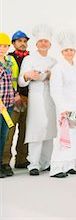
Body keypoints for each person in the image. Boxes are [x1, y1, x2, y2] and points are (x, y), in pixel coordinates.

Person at [18, 24, 57, 176]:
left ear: (50, 44)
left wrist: (50, 76)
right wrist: (28, 75)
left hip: (50, 97)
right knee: (36, 129)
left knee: (49, 129)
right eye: (40, 41)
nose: (43, 44)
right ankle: (33, 163)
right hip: (35, 96)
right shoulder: (29, 59)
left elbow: (58, 81)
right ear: (36, 44)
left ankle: (46, 162)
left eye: (46, 41)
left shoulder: (54, 61)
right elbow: (21, 81)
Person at [49, 31, 76, 178]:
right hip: (65, 108)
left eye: (71, 50)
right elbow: (55, 90)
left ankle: (69, 164)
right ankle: (57, 168)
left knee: (75, 137)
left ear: (74, 52)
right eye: (66, 50)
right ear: (62, 52)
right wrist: (63, 109)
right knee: (63, 137)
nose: (69, 52)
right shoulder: (58, 68)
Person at [2, 30, 29, 177]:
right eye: (19, 41)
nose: (23, 43)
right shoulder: (9, 59)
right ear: (13, 44)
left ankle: (22, 158)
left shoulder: (31, 58)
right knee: (9, 131)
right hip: (12, 100)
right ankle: (5, 161)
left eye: (25, 41)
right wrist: (15, 95)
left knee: (25, 130)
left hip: (29, 99)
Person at [0, 33, 19, 178]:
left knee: (4, 136)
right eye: (0, 46)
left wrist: (15, 94)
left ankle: (2, 164)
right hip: (0, 105)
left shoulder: (9, 62)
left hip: (9, 104)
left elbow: (11, 82)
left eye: (5, 46)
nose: (2, 49)